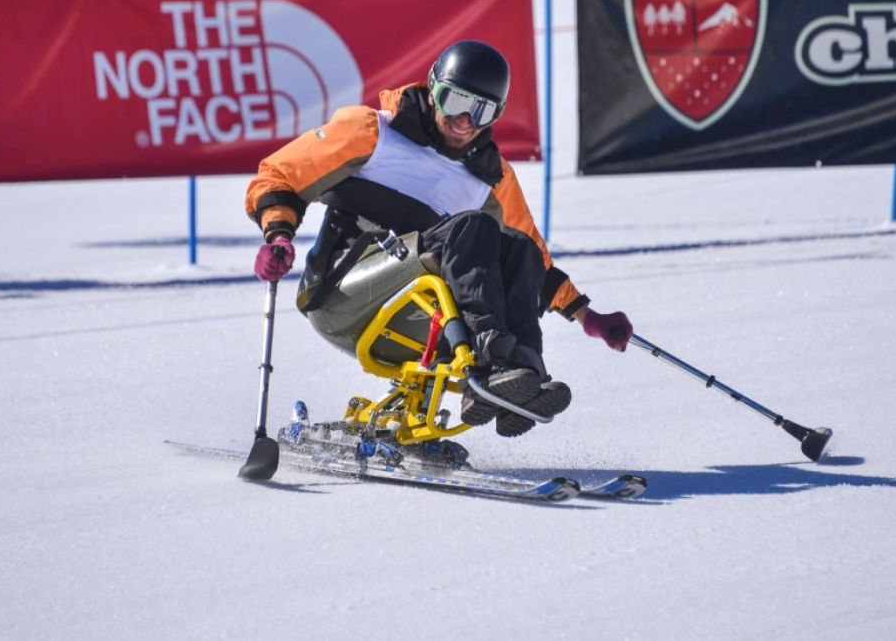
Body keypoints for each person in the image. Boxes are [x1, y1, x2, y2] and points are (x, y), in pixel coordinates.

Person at [245, 39, 633, 437]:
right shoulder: (373, 132)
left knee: (518, 249)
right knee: (473, 228)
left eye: (481, 110)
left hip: (418, 314)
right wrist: (278, 234)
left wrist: (587, 316)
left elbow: (534, 262)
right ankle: (489, 364)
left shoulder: (491, 178)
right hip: (343, 296)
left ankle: (520, 377)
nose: (465, 121)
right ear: (433, 90)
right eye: (455, 101)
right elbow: (279, 174)